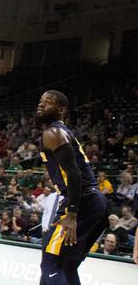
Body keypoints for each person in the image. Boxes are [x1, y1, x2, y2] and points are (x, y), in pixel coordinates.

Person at [35, 90, 108, 284]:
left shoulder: (53, 132)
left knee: (51, 264)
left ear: (61, 110)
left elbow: (74, 174)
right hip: (93, 202)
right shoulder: (58, 132)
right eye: (41, 101)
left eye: (48, 102)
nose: (41, 104)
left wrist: (72, 215)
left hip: (81, 202)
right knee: (66, 266)